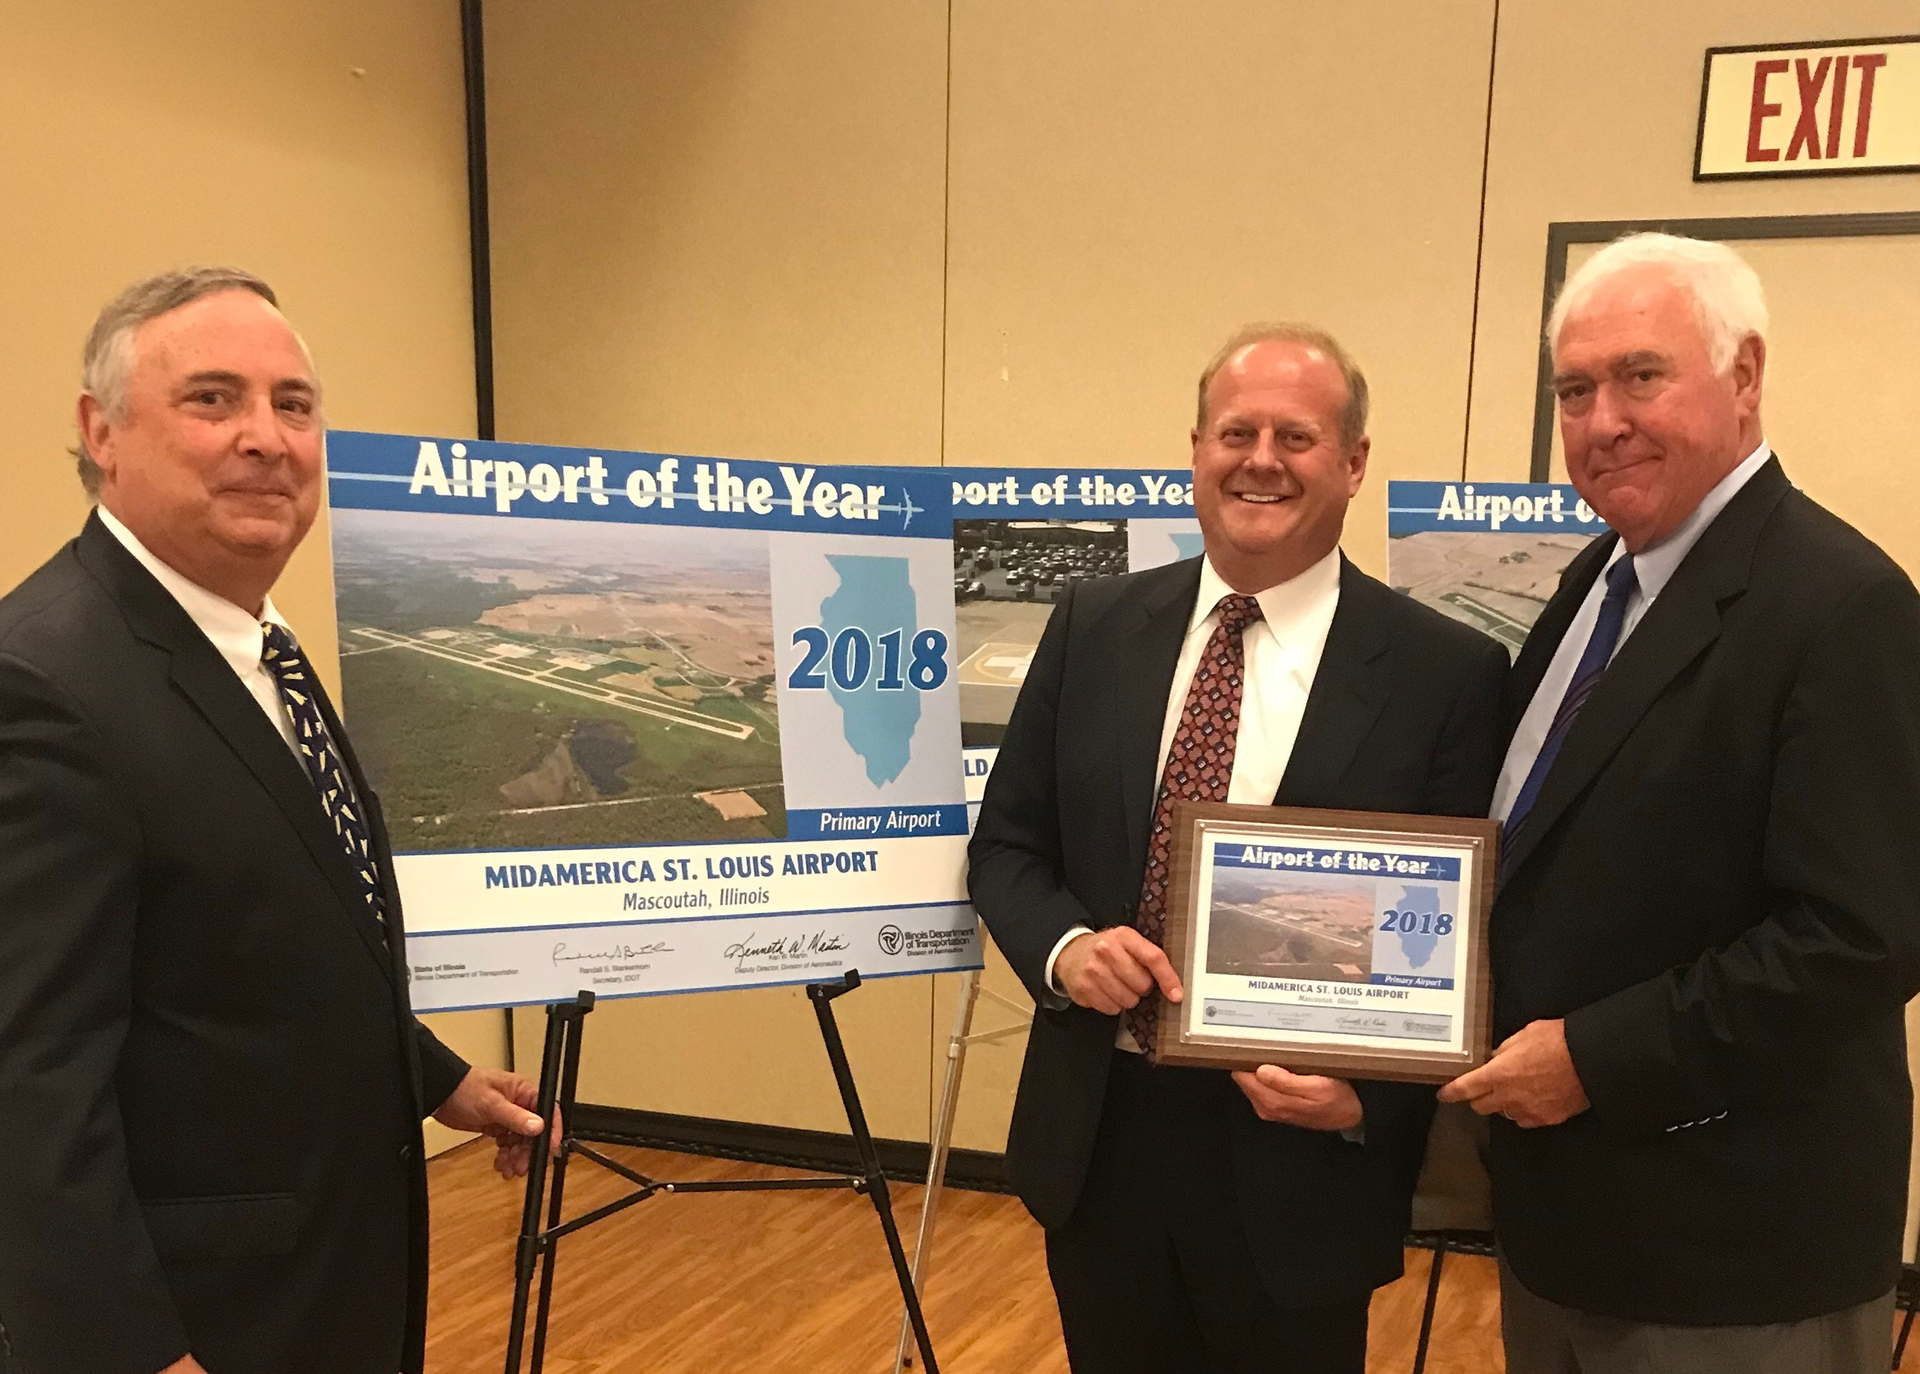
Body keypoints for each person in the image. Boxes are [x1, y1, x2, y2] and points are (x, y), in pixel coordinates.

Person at [0, 267, 552, 1374]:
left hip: (321, 1282)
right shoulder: (45, 684)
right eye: (213, 399)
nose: (267, 438)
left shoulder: (259, 652)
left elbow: (274, 933)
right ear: (100, 432)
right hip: (197, 1321)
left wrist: (438, 1076)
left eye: (292, 405)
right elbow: (27, 1076)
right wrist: (127, 1350)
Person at [969, 323, 1508, 1373]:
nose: (1260, 459)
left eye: (1296, 436)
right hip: (1102, 1138)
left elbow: (1462, 928)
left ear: (1353, 462)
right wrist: (1068, 948)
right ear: (1196, 449)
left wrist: (1371, 1094)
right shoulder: (1094, 624)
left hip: (1302, 1158)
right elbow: (1009, 846)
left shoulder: (1445, 673)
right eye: (1236, 431)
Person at [1439, 233, 1920, 1372]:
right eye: (1574, 390)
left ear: (1744, 378)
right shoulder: (1595, 582)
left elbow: (1863, 938)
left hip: (1731, 1261)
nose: (1602, 420)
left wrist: (1598, 1060)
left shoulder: (1843, 606)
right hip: (1570, 1229)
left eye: (1641, 376)